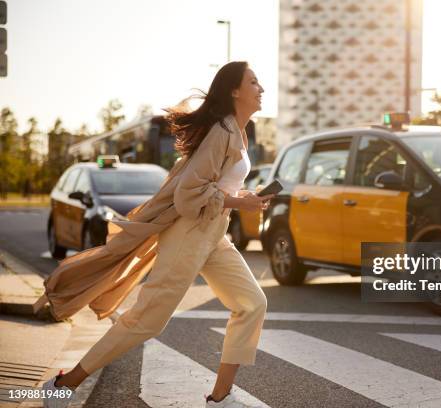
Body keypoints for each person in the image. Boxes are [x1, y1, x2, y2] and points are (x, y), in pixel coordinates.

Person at [41, 61, 272, 408]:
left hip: (214, 233)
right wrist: (241, 202)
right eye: (253, 82)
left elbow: (215, 184)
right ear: (234, 91)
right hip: (190, 233)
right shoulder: (222, 132)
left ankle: (220, 397)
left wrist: (241, 200)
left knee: (252, 303)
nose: (261, 88)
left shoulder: (238, 130)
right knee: (147, 320)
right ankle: (64, 384)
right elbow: (189, 193)